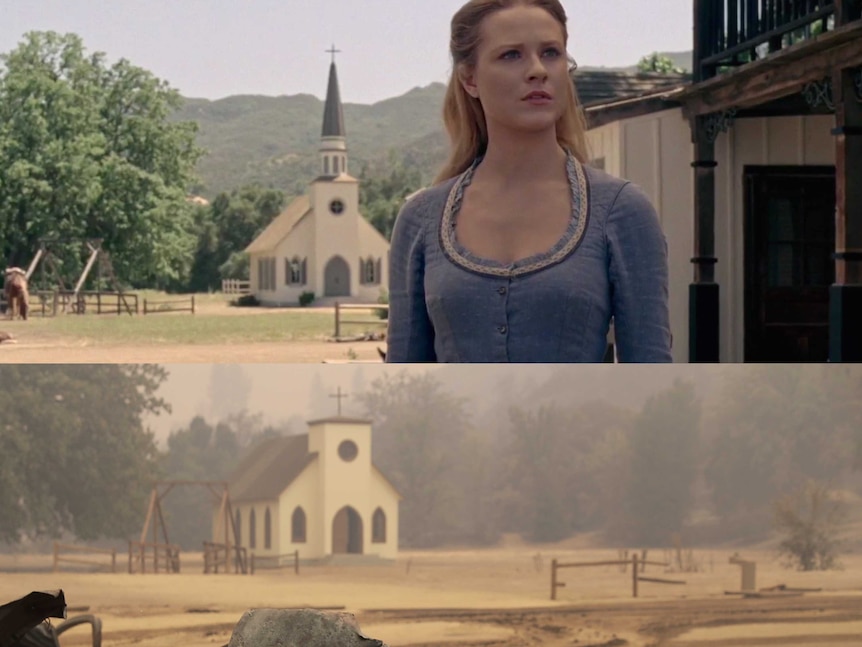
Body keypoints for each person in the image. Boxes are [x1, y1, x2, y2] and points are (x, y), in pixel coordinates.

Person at [386, 0, 672, 363]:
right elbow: (402, 383)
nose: (538, 70)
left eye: (551, 53)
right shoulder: (422, 219)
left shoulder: (621, 210)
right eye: (511, 55)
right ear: (469, 78)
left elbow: (652, 376)